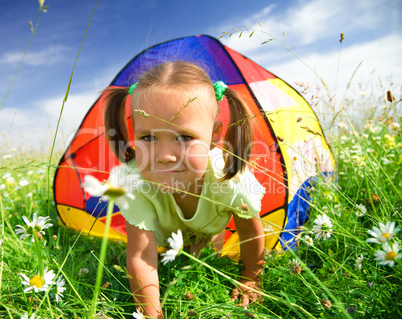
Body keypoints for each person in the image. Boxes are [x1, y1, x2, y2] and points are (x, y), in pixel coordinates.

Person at [103, 61, 266, 318]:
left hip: (210, 223)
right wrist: (151, 314)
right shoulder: (136, 183)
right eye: (148, 137)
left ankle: (199, 244)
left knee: (205, 252)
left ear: (213, 136)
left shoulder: (229, 178)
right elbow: (141, 255)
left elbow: (250, 231)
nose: (165, 156)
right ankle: (193, 245)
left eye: (184, 137)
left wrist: (250, 278)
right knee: (181, 251)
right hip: (164, 234)